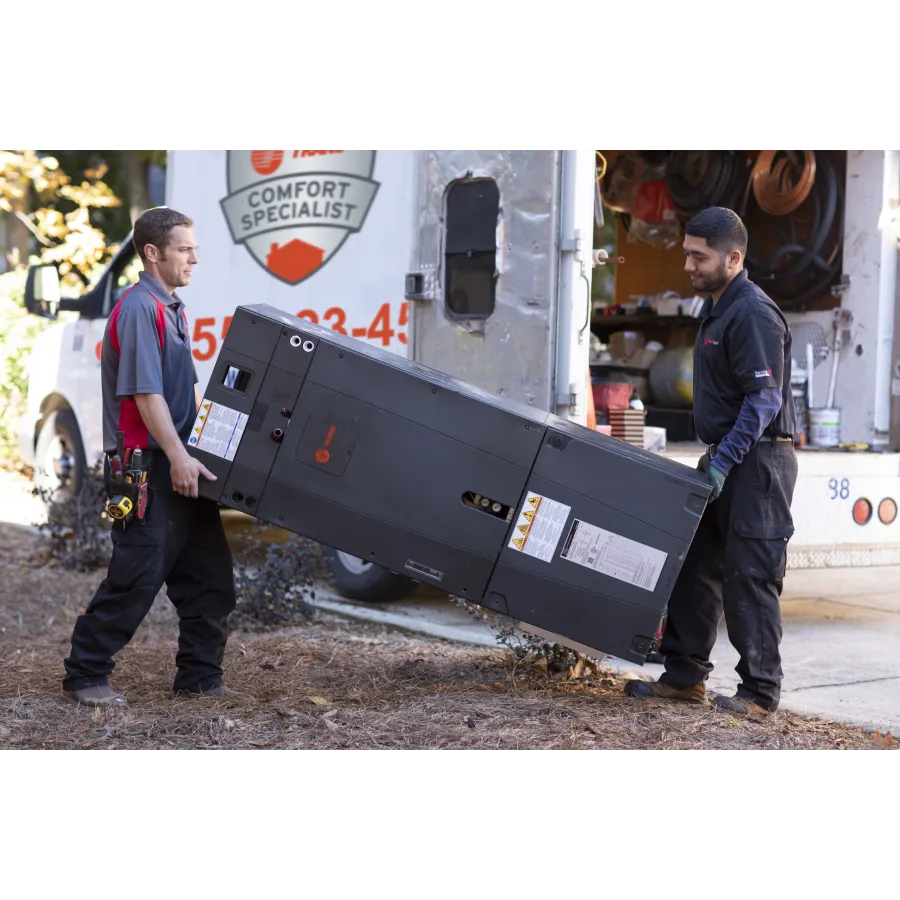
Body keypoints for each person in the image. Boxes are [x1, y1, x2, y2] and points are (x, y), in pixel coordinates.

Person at [625, 207, 797, 717]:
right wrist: (716, 459)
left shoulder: (752, 313)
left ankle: (760, 693)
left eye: (699, 257)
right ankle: (684, 677)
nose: (688, 266)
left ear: (733, 257)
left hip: (759, 462)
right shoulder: (718, 307)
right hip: (727, 455)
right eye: (687, 254)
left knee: (751, 574)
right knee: (696, 567)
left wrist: (725, 461)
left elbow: (763, 400)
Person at [62, 207, 238, 706]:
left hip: (181, 465)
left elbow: (183, 396)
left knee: (210, 579)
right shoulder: (139, 308)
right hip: (149, 468)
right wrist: (179, 458)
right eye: (185, 249)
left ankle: (199, 679)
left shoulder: (171, 308)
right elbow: (145, 395)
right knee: (136, 579)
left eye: (194, 248)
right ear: (153, 253)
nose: (194, 259)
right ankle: (85, 674)